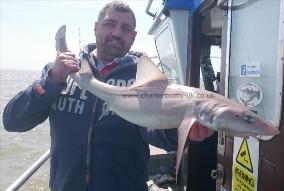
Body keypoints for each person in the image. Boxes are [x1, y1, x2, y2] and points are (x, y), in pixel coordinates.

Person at [3, 1, 214, 191]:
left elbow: (151, 129)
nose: (116, 33)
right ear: (96, 27)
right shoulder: (61, 73)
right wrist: (51, 82)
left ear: (133, 36)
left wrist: (182, 133)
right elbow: (13, 121)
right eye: (109, 24)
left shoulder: (143, 80)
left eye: (126, 28)